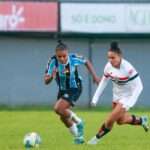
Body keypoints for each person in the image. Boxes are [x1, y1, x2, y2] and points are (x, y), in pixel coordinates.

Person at [87, 41, 149, 145]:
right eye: (109, 58)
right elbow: (103, 82)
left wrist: (129, 103)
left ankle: (95, 140)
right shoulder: (108, 66)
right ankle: (142, 120)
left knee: (110, 119)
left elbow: (139, 86)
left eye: (113, 58)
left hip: (127, 98)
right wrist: (95, 98)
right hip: (116, 96)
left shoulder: (128, 68)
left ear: (120, 56)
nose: (110, 60)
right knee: (120, 121)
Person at [44, 40, 100, 144]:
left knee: (58, 108)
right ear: (56, 55)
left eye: (64, 56)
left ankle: (79, 121)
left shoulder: (73, 58)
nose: (62, 59)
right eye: (59, 57)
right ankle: (79, 137)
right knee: (62, 117)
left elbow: (86, 61)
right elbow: (46, 81)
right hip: (63, 89)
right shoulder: (52, 61)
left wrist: (95, 77)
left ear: (67, 54)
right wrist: (51, 76)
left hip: (75, 88)